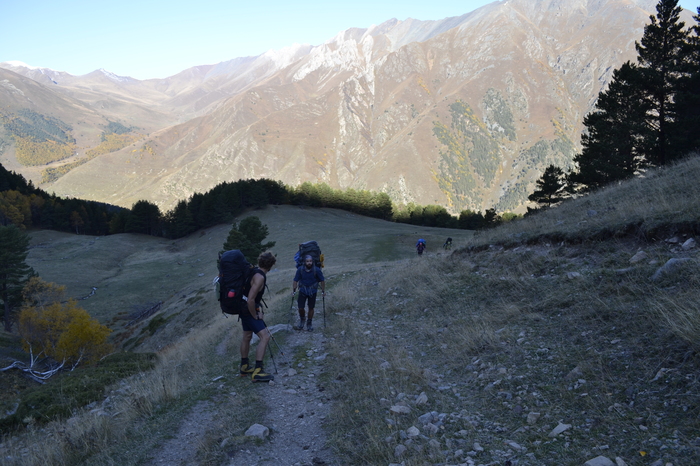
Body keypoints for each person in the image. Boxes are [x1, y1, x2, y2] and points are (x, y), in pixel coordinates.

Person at [239, 251, 277, 382]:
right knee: (265, 337)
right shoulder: (260, 277)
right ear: (271, 265)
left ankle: (244, 366)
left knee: (247, 336)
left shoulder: (253, 271)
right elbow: (251, 300)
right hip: (248, 309)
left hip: (242, 308)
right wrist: (255, 315)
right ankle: (258, 371)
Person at [292, 255, 325, 331]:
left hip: (313, 291)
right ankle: (302, 319)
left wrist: (323, 291)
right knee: (300, 308)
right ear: (304, 262)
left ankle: (309, 323)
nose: (309, 263)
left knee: (311, 307)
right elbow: (295, 280)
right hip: (302, 291)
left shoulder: (316, 270)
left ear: (312, 262)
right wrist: (293, 291)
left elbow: (322, 280)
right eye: (307, 261)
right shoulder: (300, 269)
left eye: (310, 261)